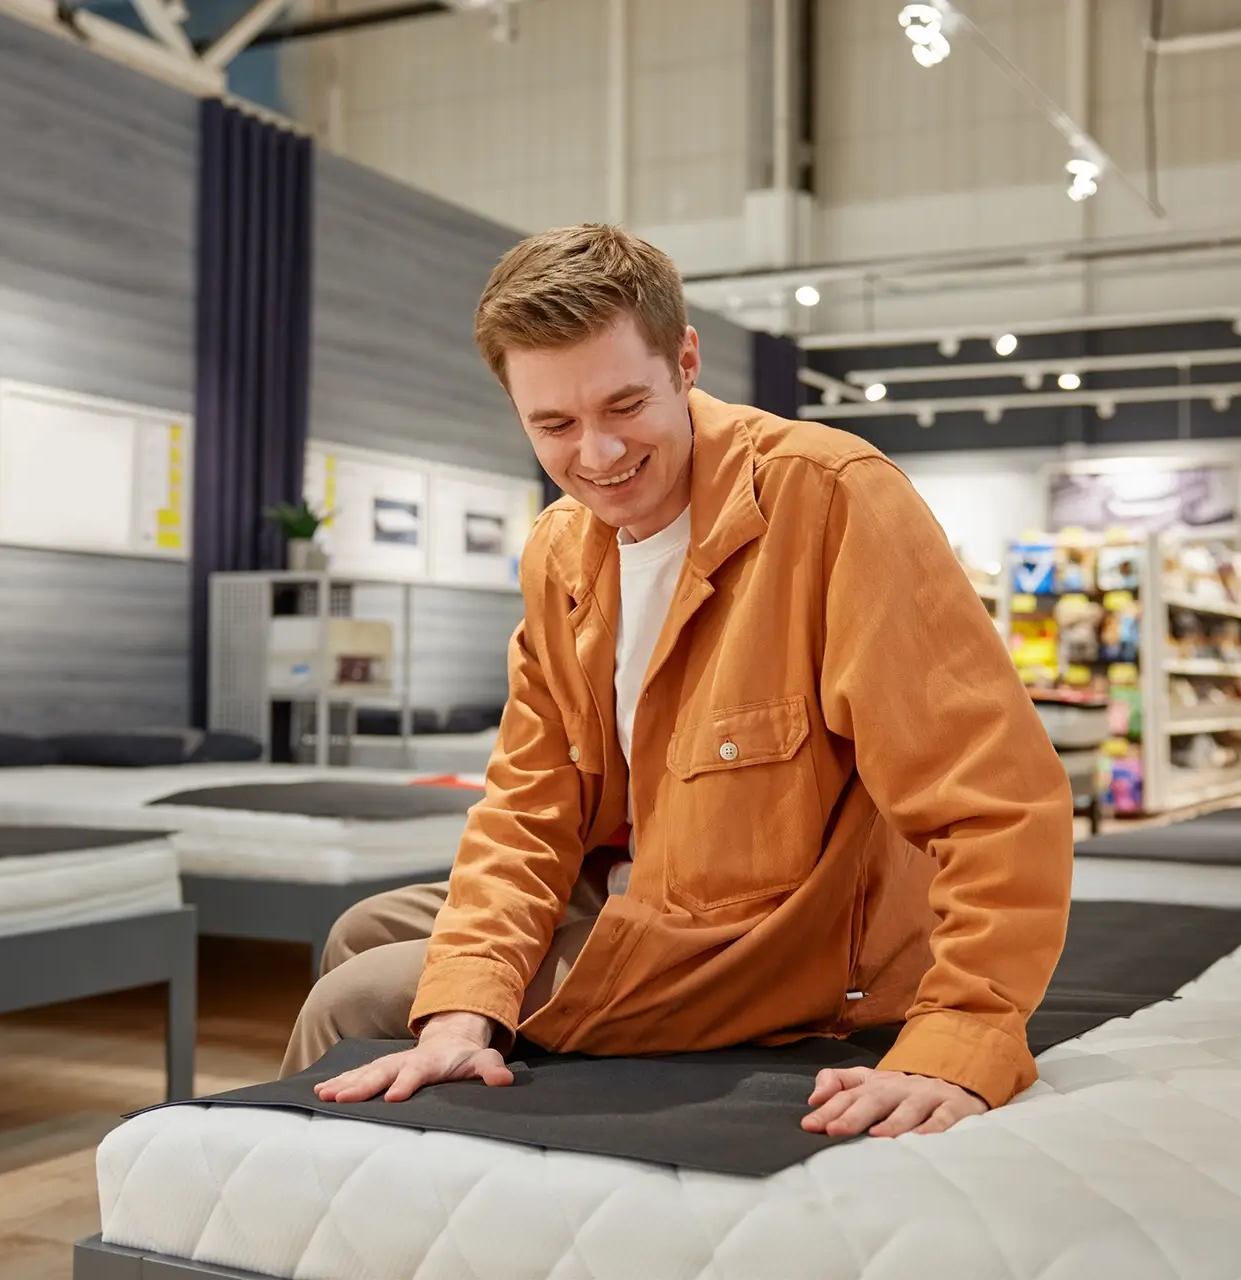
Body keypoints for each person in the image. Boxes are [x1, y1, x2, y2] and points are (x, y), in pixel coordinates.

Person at [281, 224, 1073, 1138]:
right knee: (364, 931)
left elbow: (995, 797)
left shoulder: (831, 499)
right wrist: (464, 1006)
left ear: (685, 361)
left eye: (624, 407)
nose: (598, 455)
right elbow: (529, 806)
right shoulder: (560, 550)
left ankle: (265, 1226)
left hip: (781, 944)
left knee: (353, 997)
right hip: (643, 889)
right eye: (554, 425)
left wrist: (964, 1036)